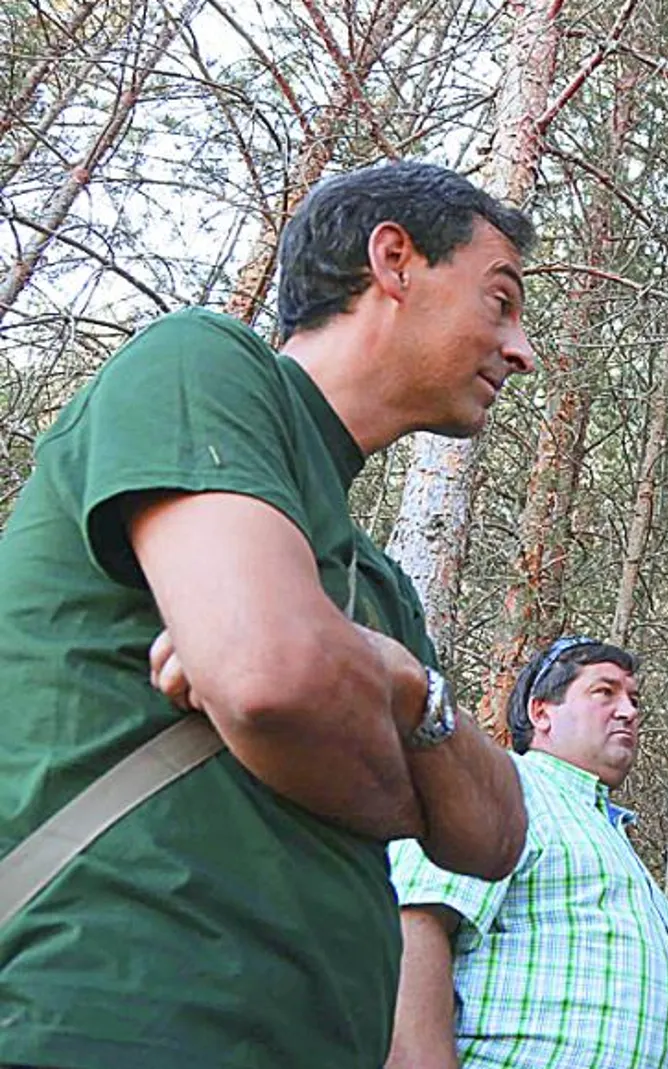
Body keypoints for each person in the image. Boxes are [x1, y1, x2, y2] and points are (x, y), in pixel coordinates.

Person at [0, 161, 533, 1068]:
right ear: (394, 261)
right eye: (501, 300)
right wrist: (407, 779)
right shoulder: (197, 361)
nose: (521, 349)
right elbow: (272, 678)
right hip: (106, 1015)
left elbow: (492, 835)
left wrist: (408, 688)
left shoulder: (381, 583)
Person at [385, 636, 668, 1069]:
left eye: (634, 699)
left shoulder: (609, 834)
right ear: (541, 712)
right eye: (604, 692)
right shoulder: (508, 786)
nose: (629, 711)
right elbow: (411, 924)